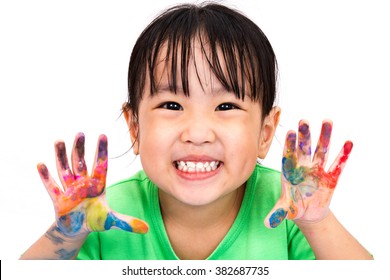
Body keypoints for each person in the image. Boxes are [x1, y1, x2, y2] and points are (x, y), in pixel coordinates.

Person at [20, 2, 372, 260]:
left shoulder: (290, 209)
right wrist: (65, 236)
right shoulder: (104, 216)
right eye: (172, 105)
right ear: (135, 128)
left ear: (265, 133)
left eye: (226, 107)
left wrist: (318, 223)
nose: (198, 132)